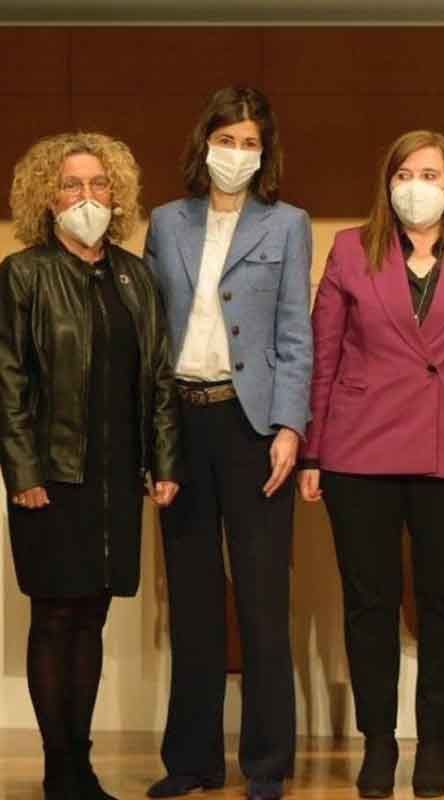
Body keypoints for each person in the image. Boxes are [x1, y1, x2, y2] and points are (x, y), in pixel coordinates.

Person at [297, 130, 444, 799]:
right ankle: (377, 742)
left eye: (430, 173)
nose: (416, 185)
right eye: (404, 172)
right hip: (358, 451)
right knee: (370, 604)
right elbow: (323, 354)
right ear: (386, 182)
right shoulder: (347, 249)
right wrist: (311, 449)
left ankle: (434, 743)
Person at [142, 86, 313, 800]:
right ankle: (192, 760)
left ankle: (267, 764)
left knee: (263, 600)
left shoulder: (287, 224)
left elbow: (295, 334)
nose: (236, 153)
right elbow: (152, 338)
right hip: (183, 419)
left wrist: (290, 426)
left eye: (250, 142)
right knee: (193, 599)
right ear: (203, 141)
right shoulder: (165, 222)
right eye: (226, 138)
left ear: (264, 152)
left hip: (254, 427)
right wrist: (152, 442)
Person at [0, 132, 181, 799]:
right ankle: (60, 771)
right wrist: (23, 471)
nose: (87, 198)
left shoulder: (135, 277)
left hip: (114, 475)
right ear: (48, 198)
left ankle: (82, 762)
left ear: (118, 194)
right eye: (72, 186)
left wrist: (163, 462)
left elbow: (159, 376)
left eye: (98, 184)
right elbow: (8, 380)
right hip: (50, 476)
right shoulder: (24, 273)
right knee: (56, 615)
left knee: (95, 614)